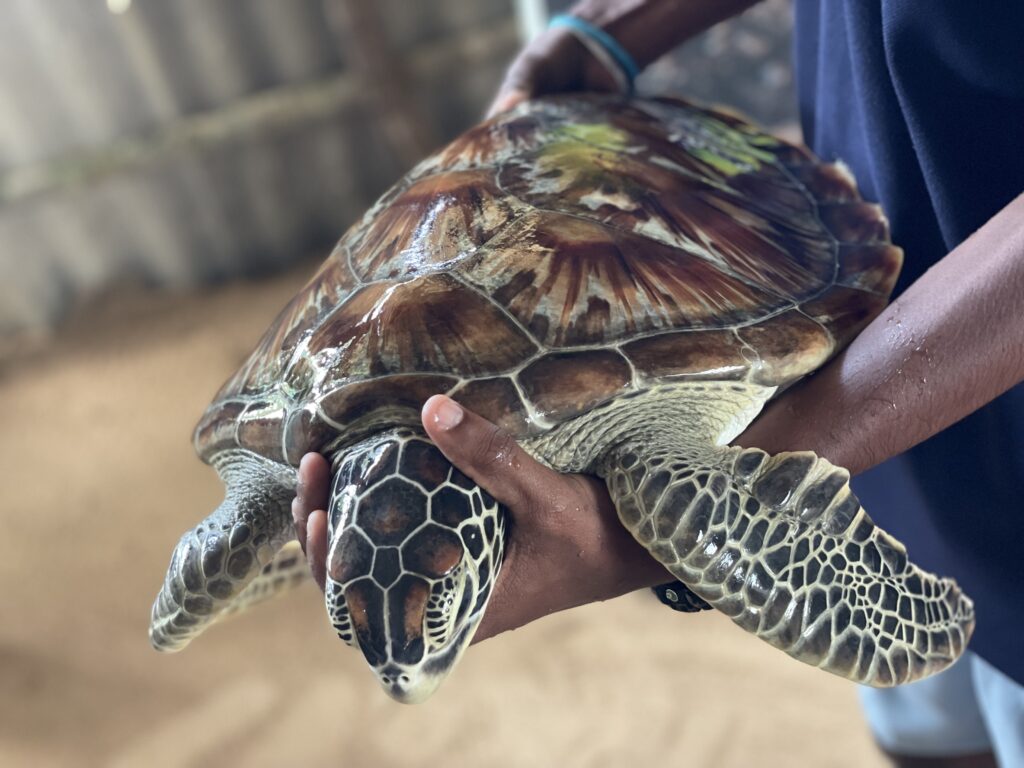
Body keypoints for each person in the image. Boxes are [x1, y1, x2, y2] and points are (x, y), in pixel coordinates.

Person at [292, 1, 1024, 764]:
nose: (402, 681)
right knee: (931, 737)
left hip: (993, 404)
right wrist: (613, 28)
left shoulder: (703, 485)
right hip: (883, 235)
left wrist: (724, 496)